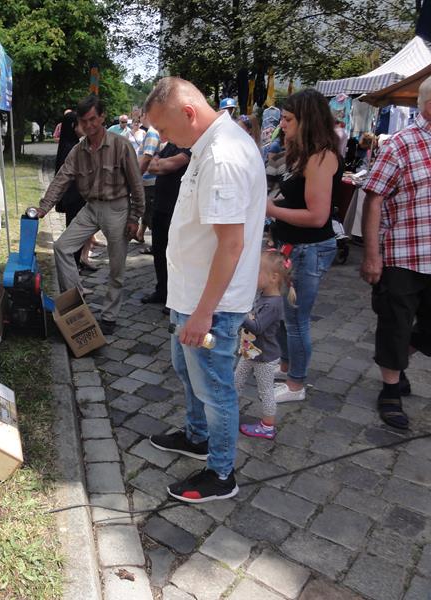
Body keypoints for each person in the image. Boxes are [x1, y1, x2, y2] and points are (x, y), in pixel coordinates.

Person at [145, 77, 266, 503]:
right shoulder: (205, 147)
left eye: (164, 128)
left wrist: (204, 313)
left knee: (215, 389)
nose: (164, 139)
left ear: (188, 113)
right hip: (191, 294)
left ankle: (221, 472)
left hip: (210, 304)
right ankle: (197, 436)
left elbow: (231, 244)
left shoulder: (223, 155)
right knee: (187, 372)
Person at [32, 95, 145, 334]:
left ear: (102, 117)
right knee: (62, 247)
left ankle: (109, 317)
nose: (89, 125)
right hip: (91, 207)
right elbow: (61, 179)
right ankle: (76, 305)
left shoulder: (120, 145)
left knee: (116, 267)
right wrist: (43, 207)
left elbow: (137, 184)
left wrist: (135, 217)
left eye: (93, 119)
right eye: (84, 121)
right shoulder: (78, 150)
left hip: (117, 208)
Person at [359, 75, 431, 430]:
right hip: (404, 253)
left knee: (421, 331)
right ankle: (390, 389)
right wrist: (372, 255)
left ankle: (399, 356)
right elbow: (373, 199)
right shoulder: (400, 144)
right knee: (394, 324)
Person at [266, 89, 341, 403]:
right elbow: (294, 196)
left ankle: (296, 384)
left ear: (306, 119)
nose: (282, 124)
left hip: (308, 249)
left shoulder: (321, 157)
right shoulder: (302, 153)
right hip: (292, 245)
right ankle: (287, 366)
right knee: (285, 314)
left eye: (288, 119)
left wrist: (270, 209)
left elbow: (317, 216)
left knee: (296, 319)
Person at [235, 250, 295, 440]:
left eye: (256, 272)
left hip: (264, 357)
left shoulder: (273, 304)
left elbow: (258, 327)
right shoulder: (262, 295)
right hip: (251, 352)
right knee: (236, 381)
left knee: (266, 391)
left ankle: (267, 426)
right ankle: (228, 412)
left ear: (273, 277)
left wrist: (241, 312)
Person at [140, 139, 191, 307]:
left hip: (176, 208)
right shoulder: (172, 144)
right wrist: (160, 163)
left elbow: (168, 166)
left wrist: (160, 163)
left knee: (175, 255)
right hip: (160, 206)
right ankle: (162, 291)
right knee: (159, 251)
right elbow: (152, 166)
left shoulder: (190, 145)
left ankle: (176, 298)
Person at [54, 110, 95, 271]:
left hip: (74, 197)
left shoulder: (70, 144)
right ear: (73, 126)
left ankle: (76, 264)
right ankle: (73, 267)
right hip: (75, 197)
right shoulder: (71, 148)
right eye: (81, 123)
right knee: (75, 234)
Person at [135, 113, 161, 248]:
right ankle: (141, 235)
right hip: (149, 179)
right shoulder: (152, 132)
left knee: (150, 212)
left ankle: (157, 246)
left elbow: (147, 158)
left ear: (145, 116)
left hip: (149, 180)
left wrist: (136, 177)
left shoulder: (151, 133)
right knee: (147, 211)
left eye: (141, 116)